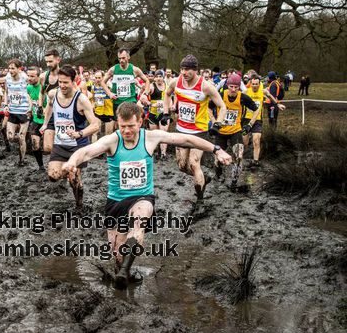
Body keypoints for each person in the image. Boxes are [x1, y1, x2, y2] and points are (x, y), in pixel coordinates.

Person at [62, 102, 232, 289]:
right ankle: (124, 272)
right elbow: (85, 151)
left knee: (139, 221)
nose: (126, 130)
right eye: (122, 126)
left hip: (142, 198)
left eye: (131, 126)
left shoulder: (151, 137)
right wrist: (71, 162)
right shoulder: (112, 140)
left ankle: (125, 269)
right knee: (117, 256)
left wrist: (217, 150)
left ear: (140, 122)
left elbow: (188, 140)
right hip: (116, 202)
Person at [162, 54, 227, 200]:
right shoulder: (175, 82)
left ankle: (200, 199)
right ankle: (203, 178)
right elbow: (166, 95)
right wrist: (166, 113)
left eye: (187, 70)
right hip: (181, 130)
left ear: (195, 70)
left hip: (199, 131)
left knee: (193, 163)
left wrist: (217, 123)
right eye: (182, 69)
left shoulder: (206, 86)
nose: (184, 73)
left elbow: (222, 106)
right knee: (182, 165)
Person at [42, 65, 100, 209]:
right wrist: (45, 123)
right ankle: (71, 174)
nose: (62, 85)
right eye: (60, 82)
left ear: (73, 82)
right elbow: (49, 106)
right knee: (53, 175)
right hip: (60, 143)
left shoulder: (82, 100)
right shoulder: (53, 94)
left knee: (73, 180)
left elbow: (95, 125)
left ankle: (79, 205)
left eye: (65, 82)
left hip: (78, 145)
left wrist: (79, 133)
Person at [209, 74, 259, 189]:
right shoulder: (220, 96)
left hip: (235, 131)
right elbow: (208, 108)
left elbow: (256, 110)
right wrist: (215, 122)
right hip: (220, 132)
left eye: (236, 87)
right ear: (227, 86)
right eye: (231, 86)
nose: (233, 89)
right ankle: (218, 175)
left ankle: (234, 181)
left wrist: (249, 125)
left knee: (239, 155)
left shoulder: (243, 97)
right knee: (218, 158)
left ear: (239, 87)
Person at [242, 75, 284, 167]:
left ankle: (255, 161)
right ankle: (241, 158)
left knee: (256, 140)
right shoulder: (245, 92)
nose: (254, 86)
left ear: (259, 83)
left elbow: (270, 96)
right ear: (250, 83)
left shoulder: (263, 91)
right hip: (246, 120)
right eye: (253, 84)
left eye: (256, 84)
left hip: (257, 120)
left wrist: (277, 104)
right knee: (244, 142)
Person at [102, 48, 150, 125]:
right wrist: (109, 93)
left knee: (131, 122)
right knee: (120, 124)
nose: (121, 60)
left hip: (130, 100)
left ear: (128, 57)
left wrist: (145, 94)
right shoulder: (113, 69)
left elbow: (147, 81)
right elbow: (103, 82)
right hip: (117, 101)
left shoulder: (135, 69)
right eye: (119, 58)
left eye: (123, 58)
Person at [0, 59, 31, 166]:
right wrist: (6, 104)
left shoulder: (25, 78)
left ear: (19, 69)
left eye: (13, 68)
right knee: (10, 137)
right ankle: (25, 140)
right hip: (12, 111)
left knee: (21, 137)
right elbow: (7, 92)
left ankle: (22, 160)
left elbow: (31, 91)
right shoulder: (8, 77)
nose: (10, 70)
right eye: (9, 68)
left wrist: (30, 106)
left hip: (24, 111)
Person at [39, 49, 61, 154]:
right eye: (46, 62)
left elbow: (77, 92)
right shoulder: (43, 77)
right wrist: (40, 106)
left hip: (65, 114)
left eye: (50, 61)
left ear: (58, 60)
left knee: (64, 145)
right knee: (47, 147)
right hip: (50, 112)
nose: (48, 64)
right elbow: (41, 92)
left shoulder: (65, 75)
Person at [26, 66, 46, 170]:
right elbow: (31, 101)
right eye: (28, 75)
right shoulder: (28, 87)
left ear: (38, 77)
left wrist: (44, 108)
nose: (29, 78)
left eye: (32, 76)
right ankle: (41, 166)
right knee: (35, 144)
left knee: (48, 147)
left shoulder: (45, 88)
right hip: (36, 120)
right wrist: (30, 109)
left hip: (48, 120)